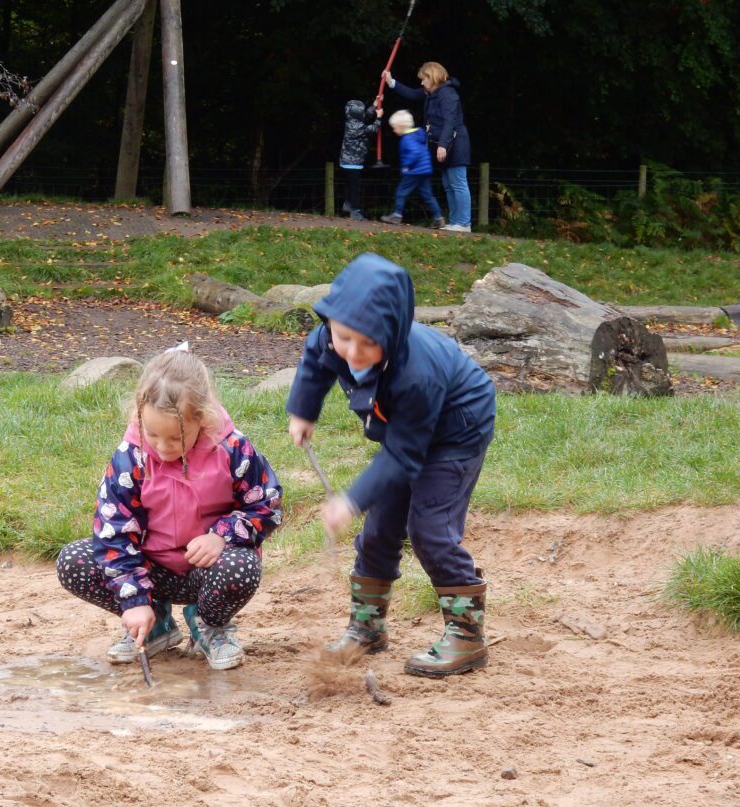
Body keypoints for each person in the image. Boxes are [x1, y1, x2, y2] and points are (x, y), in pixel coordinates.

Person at [285, 253, 496, 678]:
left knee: (430, 529)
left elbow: (402, 456)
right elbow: (316, 358)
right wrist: (303, 411)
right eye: (345, 338)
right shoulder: (332, 337)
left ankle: (466, 634)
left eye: (368, 344)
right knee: (380, 528)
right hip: (405, 431)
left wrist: (351, 500)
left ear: (393, 335)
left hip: (455, 431)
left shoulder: (417, 374)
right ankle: (367, 627)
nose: (353, 353)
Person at [57, 345, 282, 671]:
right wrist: (134, 600)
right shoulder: (130, 457)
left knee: (242, 566)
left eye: (176, 438)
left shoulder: (233, 449)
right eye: (152, 434)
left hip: (207, 570)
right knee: (73, 560)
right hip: (150, 570)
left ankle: (208, 624)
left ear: (202, 418)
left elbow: (267, 505)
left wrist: (221, 535)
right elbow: (113, 531)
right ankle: (155, 622)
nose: (163, 448)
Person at [383, 62, 472, 232]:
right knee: (448, 185)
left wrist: (442, 145)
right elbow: (412, 94)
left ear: (433, 77)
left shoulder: (448, 94)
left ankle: (464, 223)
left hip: (454, 145)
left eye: (424, 79)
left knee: (458, 183)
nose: (422, 82)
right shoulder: (432, 93)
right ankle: (455, 222)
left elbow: (450, 121)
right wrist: (391, 82)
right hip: (443, 145)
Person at [379, 110, 444, 228]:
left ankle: (397, 215)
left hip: (414, 171)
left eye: (394, 127)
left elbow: (414, 153)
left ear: (401, 126)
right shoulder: (417, 135)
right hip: (425, 169)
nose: (393, 130)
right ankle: (439, 218)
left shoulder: (407, 139)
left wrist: (406, 166)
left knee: (401, 192)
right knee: (428, 195)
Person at [339, 99, 383, 221]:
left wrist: (374, 105)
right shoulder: (358, 127)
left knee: (349, 186)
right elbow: (373, 129)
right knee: (355, 188)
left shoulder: (351, 122)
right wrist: (379, 118)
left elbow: (366, 116)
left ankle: (347, 204)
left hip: (345, 162)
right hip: (353, 163)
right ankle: (355, 211)